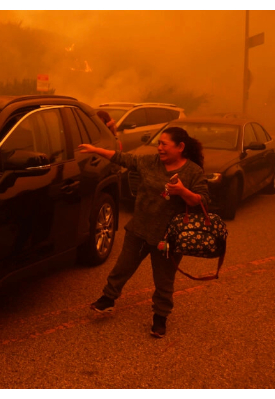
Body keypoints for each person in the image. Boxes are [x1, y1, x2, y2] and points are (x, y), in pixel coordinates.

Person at [78, 126, 209, 338]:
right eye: (158, 144)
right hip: (139, 230)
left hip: (168, 239)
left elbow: (203, 201)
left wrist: (182, 191)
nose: (159, 148)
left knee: (164, 280)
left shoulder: (193, 171)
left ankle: (160, 318)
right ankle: (108, 299)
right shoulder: (150, 162)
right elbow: (124, 159)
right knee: (122, 267)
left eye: (164, 144)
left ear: (180, 147)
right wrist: (96, 150)